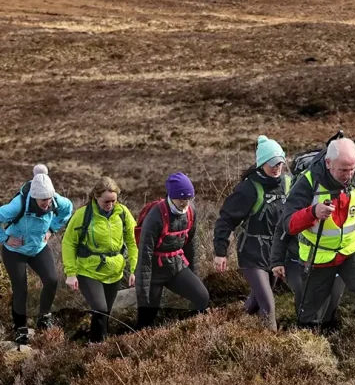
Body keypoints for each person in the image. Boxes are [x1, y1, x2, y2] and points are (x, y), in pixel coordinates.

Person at [282, 137, 355, 330]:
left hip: (350, 251)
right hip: (319, 256)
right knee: (309, 315)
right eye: (343, 170)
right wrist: (313, 213)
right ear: (328, 163)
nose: (349, 174)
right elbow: (288, 224)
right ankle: (307, 350)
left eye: (352, 168)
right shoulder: (308, 183)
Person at [212, 136, 291, 332]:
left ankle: (229, 327)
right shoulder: (248, 189)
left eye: (280, 163)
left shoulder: (289, 184)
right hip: (252, 253)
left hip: (275, 254)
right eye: (272, 164)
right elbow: (225, 220)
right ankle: (270, 349)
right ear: (262, 163)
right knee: (268, 305)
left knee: (257, 300)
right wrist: (220, 252)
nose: (277, 168)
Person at [0, 165, 73, 345]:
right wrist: (5, 238)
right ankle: (20, 328)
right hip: (14, 251)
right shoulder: (17, 205)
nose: (46, 204)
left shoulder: (55, 200)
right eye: (42, 201)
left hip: (38, 248)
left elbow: (68, 209)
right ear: (34, 197)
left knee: (51, 280)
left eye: (48, 199)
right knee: (21, 288)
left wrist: (52, 228)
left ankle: (43, 317)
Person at [62, 177, 138, 342]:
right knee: (101, 309)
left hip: (115, 271)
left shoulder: (123, 213)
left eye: (113, 201)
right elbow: (69, 243)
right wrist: (71, 273)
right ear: (96, 197)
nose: (110, 205)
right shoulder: (83, 215)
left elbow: (133, 241)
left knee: (105, 313)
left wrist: (134, 269)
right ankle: (98, 346)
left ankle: (93, 342)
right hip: (88, 270)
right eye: (106, 201)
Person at [135, 172, 209, 329]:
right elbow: (144, 256)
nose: (185, 203)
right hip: (154, 271)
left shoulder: (191, 212)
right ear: (171, 196)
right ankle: (134, 343)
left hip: (176, 266)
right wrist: (143, 293)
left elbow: (191, 246)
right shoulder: (155, 216)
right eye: (182, 199)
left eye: (189, 198)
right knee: (147, 317)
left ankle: (193, 332)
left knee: (202, 297)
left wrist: (193, 277)